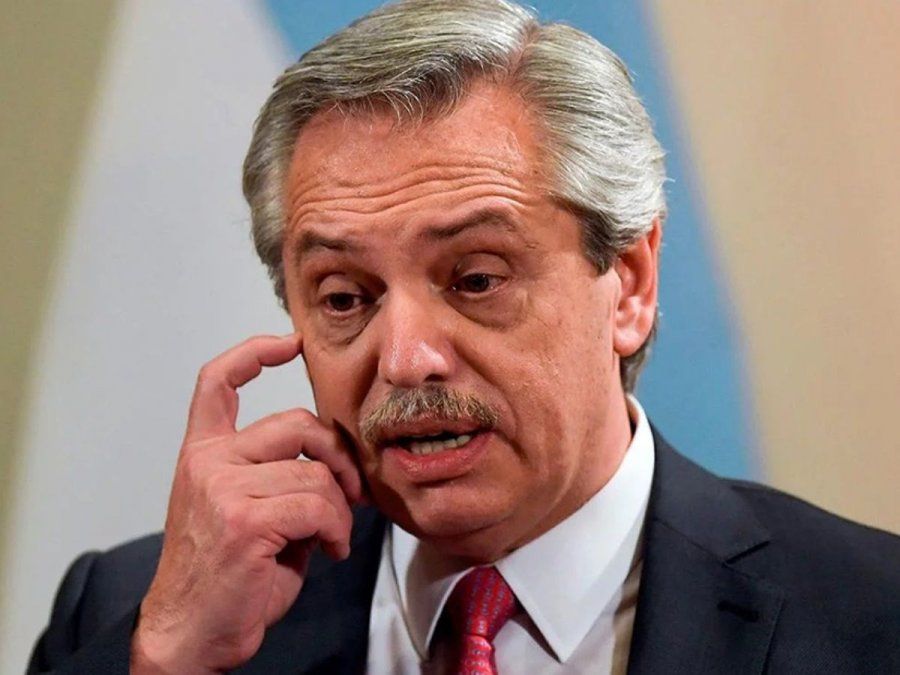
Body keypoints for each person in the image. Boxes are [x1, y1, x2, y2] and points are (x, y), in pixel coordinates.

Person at [28, 0, 900, 673]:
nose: (407, 358)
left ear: (629, 283)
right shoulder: (141, 614)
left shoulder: (872, 616)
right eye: (345, 296)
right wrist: (164, 659)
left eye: (476, 279)